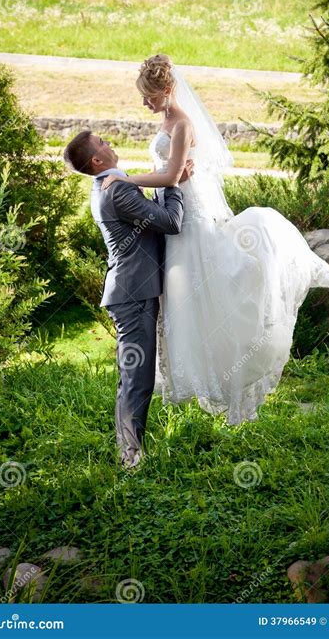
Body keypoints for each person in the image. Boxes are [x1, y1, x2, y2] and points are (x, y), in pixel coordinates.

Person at [101, 54, 329, 426]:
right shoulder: (165, 120)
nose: (144, 103)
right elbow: (168, 172)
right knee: (184, 299)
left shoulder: (181, 124)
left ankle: (229, 364)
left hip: (190, 217)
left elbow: (172, 176)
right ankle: (194, 371)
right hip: (175, 216)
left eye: (149, 96)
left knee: (208, 290)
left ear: (166, 90)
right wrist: (150, 177)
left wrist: (126, 180)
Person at [63, 130, 193, 468]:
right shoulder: (117, 190)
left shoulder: (113, 186)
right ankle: (130, 457)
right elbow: (171, 223)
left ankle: (130, 450)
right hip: (132, 294)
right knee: (137, 378)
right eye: (102, 143)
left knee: (135, 376)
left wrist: (169, 181)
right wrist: (173, 185)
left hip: (134, 292)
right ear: (96, 160)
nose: (109, 143)